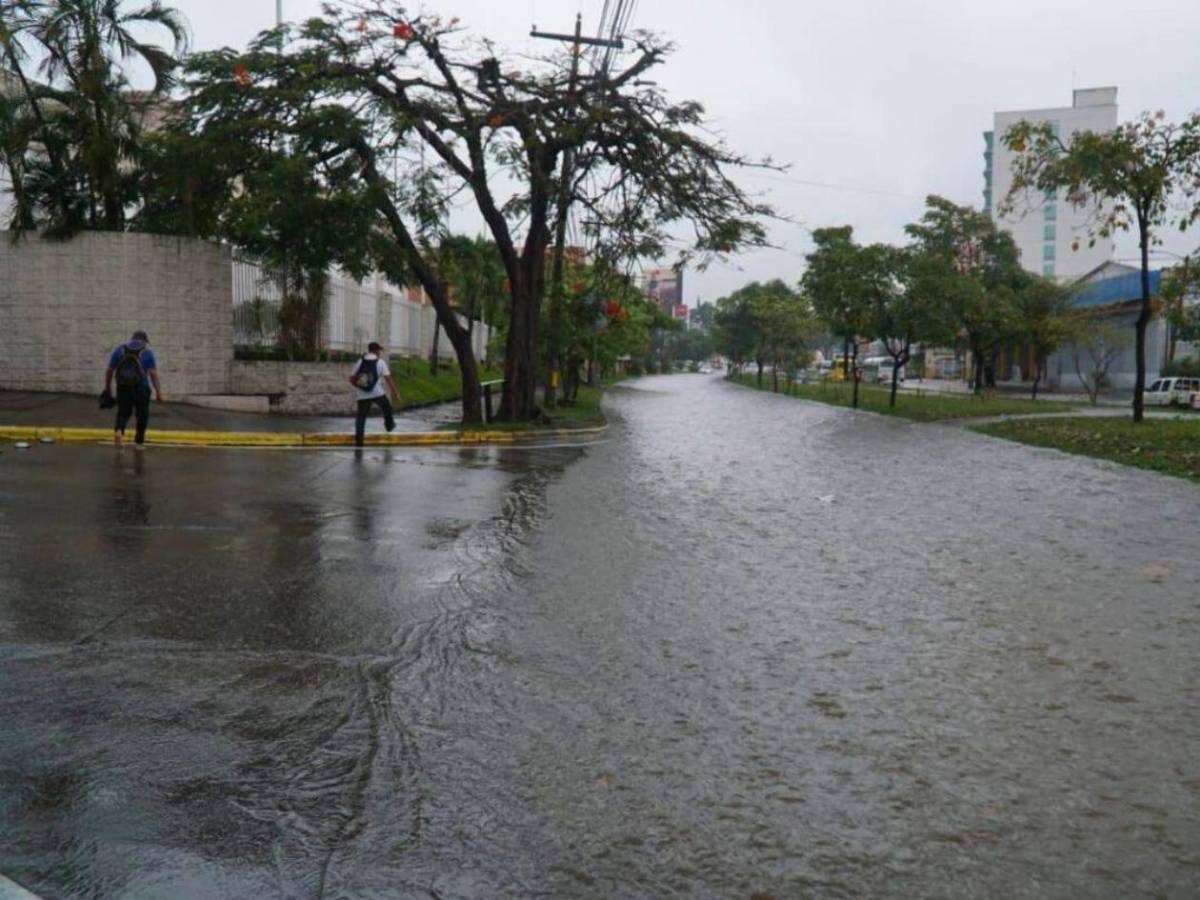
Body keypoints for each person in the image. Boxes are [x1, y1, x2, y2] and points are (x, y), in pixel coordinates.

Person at [103, 330, 163, 449]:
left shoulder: (119, 350)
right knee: (142, 414)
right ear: (144, 341)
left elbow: (109, 370)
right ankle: (139, 442)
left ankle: (119, 431)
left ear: (132, 339)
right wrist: (158, 392)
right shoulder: (147, 352)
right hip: (142, 388)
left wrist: (107, 387)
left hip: (123, 386)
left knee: (123, 412)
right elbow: (153, 374)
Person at [350, 341, 399, 447]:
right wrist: (396, 394)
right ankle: (389, 425)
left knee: (361, 417)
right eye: (379, 350)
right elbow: (388, 379)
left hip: (362, 394)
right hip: (377, 393)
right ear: (376, 351)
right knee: (387, 407)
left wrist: (360, 387)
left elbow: (352, 379)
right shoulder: (380, 362)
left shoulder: (360, 361)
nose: (379, 352)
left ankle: (359, 442)